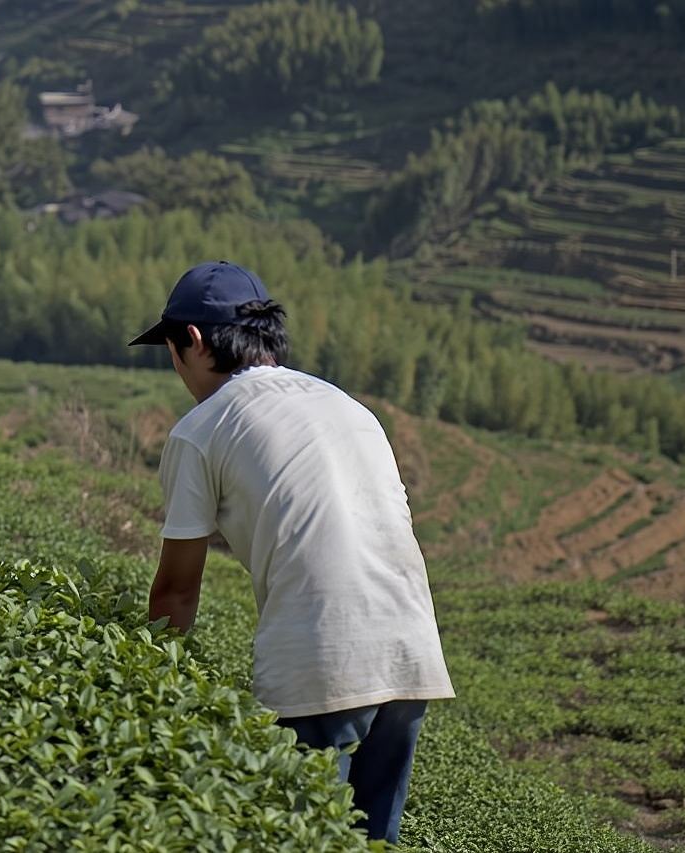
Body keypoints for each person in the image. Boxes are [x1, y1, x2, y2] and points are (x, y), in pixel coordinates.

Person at [129, 261, 454, 844]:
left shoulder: (201, 429)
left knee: (298, 832)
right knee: (373, 836)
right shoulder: (346, 405)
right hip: (411, 647)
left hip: (322, 654)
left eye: (172, 351)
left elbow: (177, 589)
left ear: (193, 343)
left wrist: (148, 690)